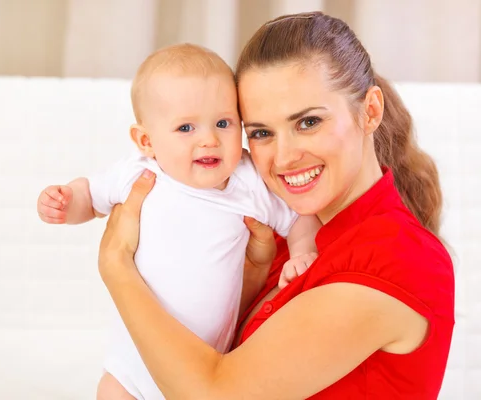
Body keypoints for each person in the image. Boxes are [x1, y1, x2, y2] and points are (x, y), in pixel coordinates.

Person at [97, 11, 455, 399]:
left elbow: (216, 394)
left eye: (308, 123)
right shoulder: (284, 232)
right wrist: (252, 277)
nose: (283, 158)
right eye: (262, 133)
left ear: (369, 111)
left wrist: (117, 268)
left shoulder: (398, 259)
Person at [36, 43, 321, 400]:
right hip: (131, 365)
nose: (209, 139)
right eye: (186, 127)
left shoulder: (248, 182)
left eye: (223, 122)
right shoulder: (139, 173)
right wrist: (65, 202)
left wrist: (302, 252)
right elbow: (90, 196)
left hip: (202, 364)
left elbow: (299, 218)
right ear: (146, 141)